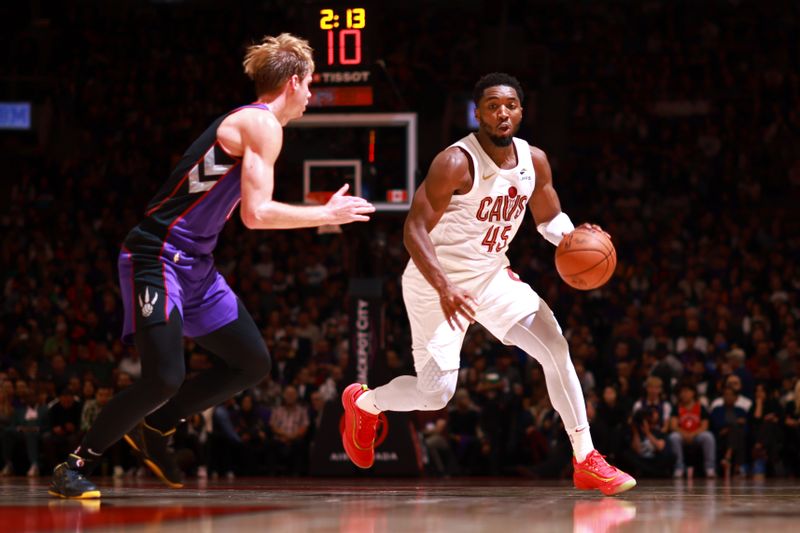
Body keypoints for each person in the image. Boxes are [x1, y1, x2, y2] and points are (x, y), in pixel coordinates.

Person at [49, 33, 375, 499]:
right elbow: (255, 215)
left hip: (197, 264)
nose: (309, 97)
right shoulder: (262, 125)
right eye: (309, 86)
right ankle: (75, 464)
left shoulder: (258, 128)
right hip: (156, 254)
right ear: (295, 82)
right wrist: (325, 215)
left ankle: (158, 425)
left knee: (252, 362)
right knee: (163, 376)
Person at [340, 73, 635, 495]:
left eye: (510, 105)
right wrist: (444, 287)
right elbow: (413, 230)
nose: (502, 113)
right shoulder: (456, 162)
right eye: (493, 105)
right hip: (434, 285)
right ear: (477, 113)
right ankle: (364, 402)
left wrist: (571, 237)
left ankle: (586, 458)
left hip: (490, 276)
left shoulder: (534, 160)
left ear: (521, 111)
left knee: (555, 346)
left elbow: (549, 218)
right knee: (435, 394)